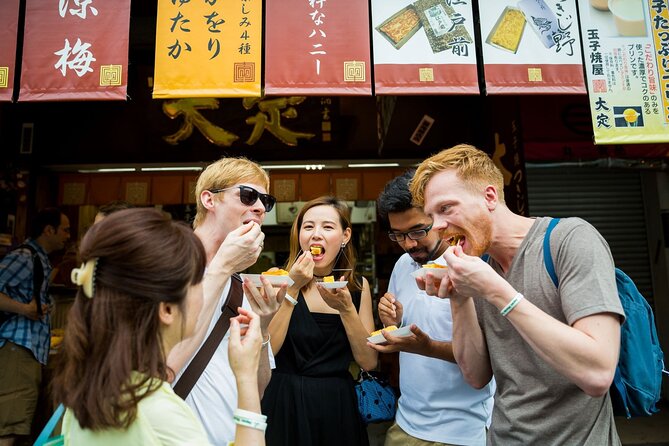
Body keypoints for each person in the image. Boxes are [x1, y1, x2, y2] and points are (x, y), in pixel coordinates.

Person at [409, 144, 624, 445]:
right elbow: (476, 376)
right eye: (433, 216)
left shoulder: (570, 240)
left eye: (446, 208)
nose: (439, 226)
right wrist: (458, 296)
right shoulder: (479, 267)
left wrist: (496, 291)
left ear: (490, 197)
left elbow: (598, 374)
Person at [51, 208, 266, 445]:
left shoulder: (89, 396)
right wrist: (246, 377)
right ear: (166, 310)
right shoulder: (161, 414)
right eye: (197, 281)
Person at [167, 157, 285, 445]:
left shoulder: (241, 286)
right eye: (247, 195)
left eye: (265, 201)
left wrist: (265, 326)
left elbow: (256, 389)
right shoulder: (165, 268)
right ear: (209, 199)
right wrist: (221, 267)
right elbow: (153, 372)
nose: (259, 207)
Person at [371, 171, 494, 446]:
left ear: (437, 216)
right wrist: (392, 318)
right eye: (399, 235)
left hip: (463, 431)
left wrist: (427, 347)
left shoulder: (477, 268)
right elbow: (404, 326)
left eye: (418, 231)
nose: (409, 244)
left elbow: (489, 358)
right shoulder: (403, 265)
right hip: (405, 424)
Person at [263, 196, 377, 446]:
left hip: (337, 407)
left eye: (327, 227)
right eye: (308, 227)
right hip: (285, 402)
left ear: (345, 236)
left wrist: (347, 309)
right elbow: (267, 351)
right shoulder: (277, 280)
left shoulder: (358, 287)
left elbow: (368, 361)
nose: (316, 234)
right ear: (299, 235)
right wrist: (292, 289)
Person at [0, 208, 70, 446]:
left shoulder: (40, 259)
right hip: (16, 347)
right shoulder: (24, 257)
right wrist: (24, 309)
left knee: (19, 422)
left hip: (29, 350)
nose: (68, 235)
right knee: (9, 422)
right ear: (48, 230)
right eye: (65, 229)